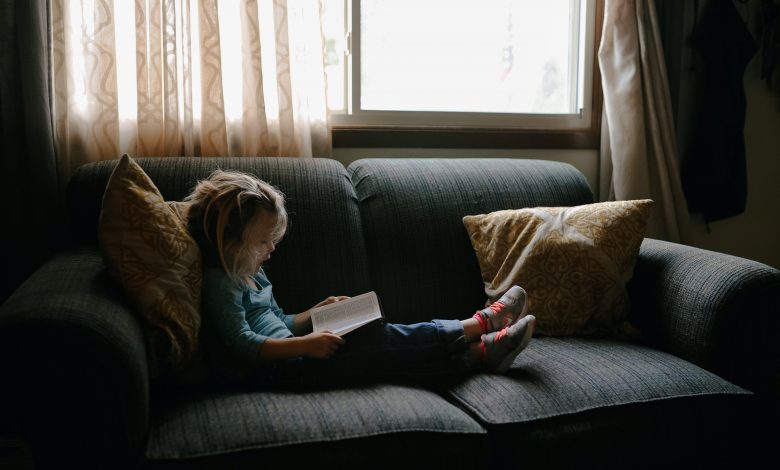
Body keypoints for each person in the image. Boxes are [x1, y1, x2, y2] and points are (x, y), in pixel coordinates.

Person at [185, 169, 536, 386]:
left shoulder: (252, 273)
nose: (270, 251)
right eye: (262, 242)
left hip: (295, 356)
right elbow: (244, 343)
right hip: (281, 371)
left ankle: (480, 353)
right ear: (229, 242)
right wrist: (306, 344)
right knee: (377, 344)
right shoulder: (221, 283)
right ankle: (480, 325)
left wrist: (314, 313)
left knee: (378, 342)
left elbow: (277, 321)